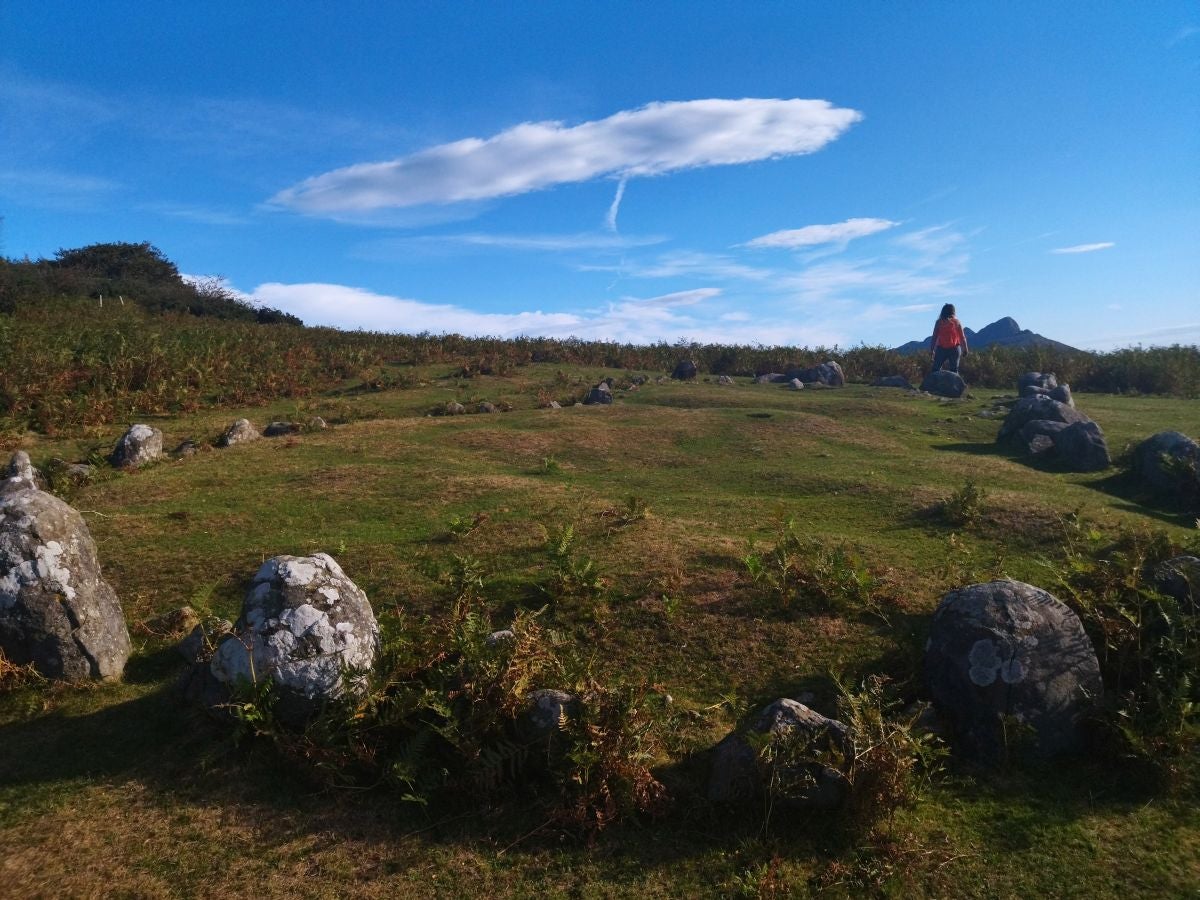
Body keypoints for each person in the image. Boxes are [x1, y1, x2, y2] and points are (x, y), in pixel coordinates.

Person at [930, 303, 968, 373]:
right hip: (955, 348)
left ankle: (934, 383)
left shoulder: (939, 322)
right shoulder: (956, 322)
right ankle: (955, 384)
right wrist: (965, 349)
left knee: (935, 370)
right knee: (954, 370)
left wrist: (932, 350)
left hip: (941, 349)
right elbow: (962, 337)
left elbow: (934, 337)